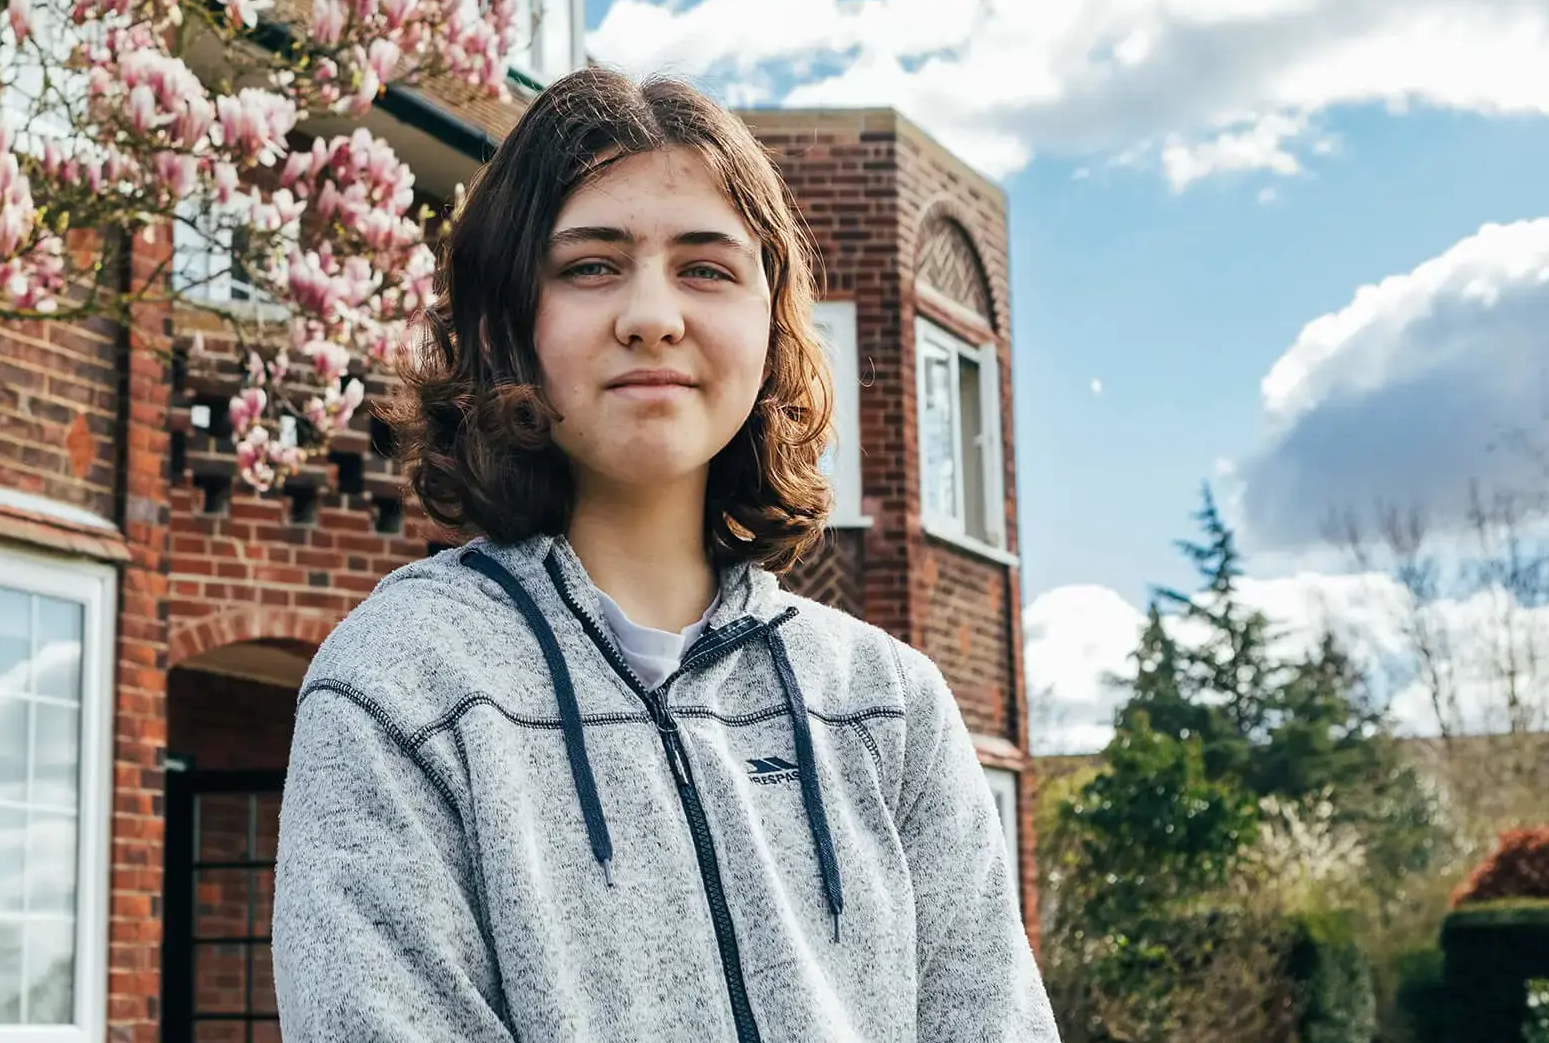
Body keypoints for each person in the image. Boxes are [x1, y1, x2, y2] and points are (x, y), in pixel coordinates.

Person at [270, 67, 1059, 1042]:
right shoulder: (399, 685)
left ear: (772, 331)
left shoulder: (887, 703)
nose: (653, 311)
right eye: (591, 265)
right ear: (501, 324)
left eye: (706, 267)